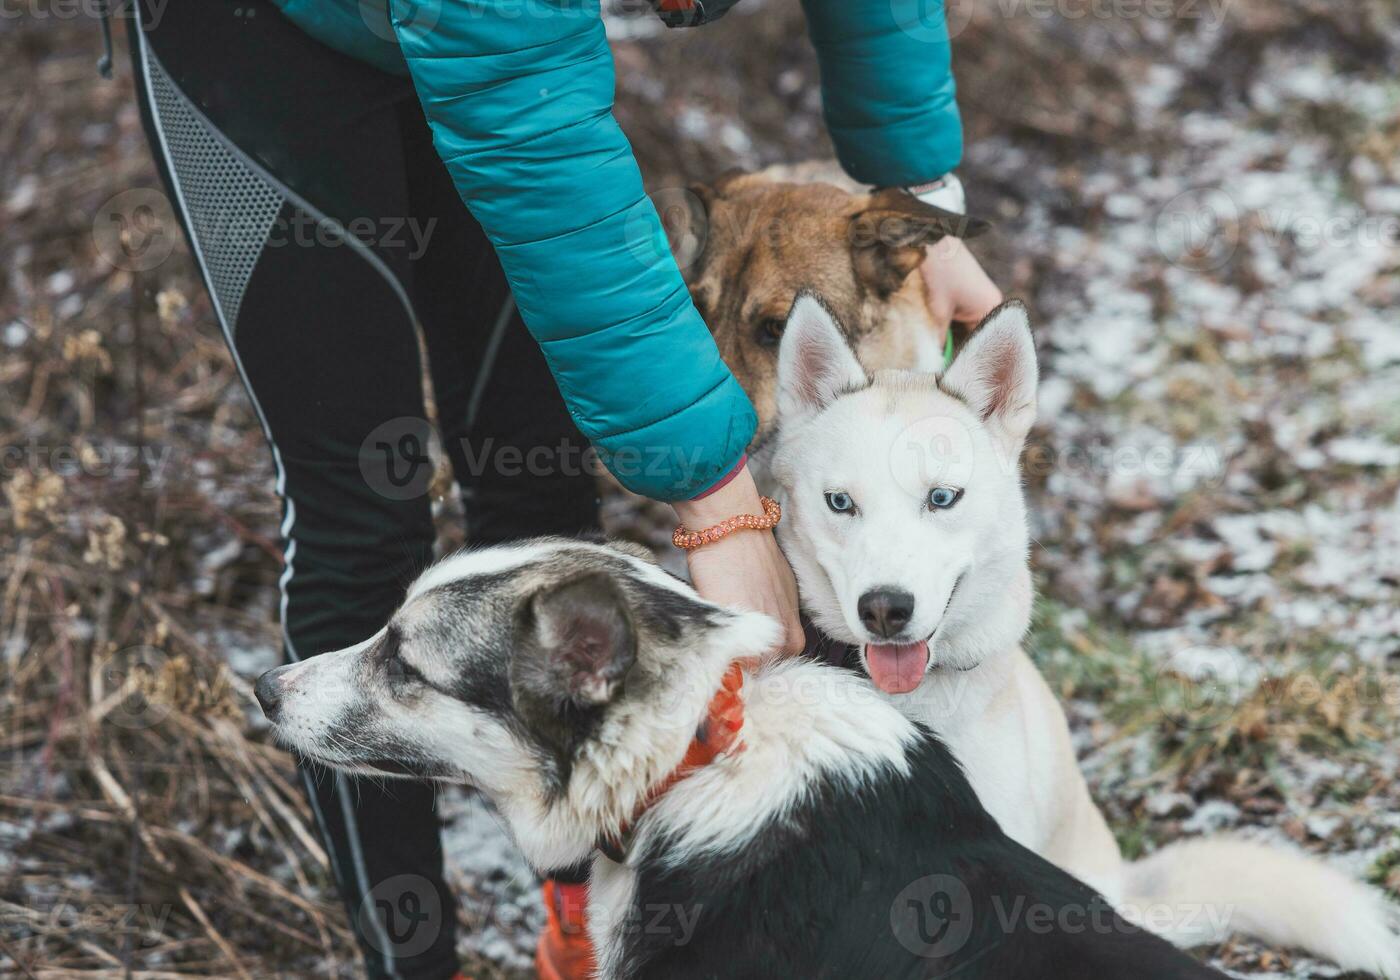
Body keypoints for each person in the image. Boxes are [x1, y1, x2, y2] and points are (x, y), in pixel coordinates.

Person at [120, 0, 1000, 977]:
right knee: (358, 511)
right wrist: (717, 498)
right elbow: (538, 150)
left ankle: (583, 923)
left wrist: (922, 192)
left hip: (495, 57)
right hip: (263, 49)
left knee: (534, 474)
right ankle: (412, 964)